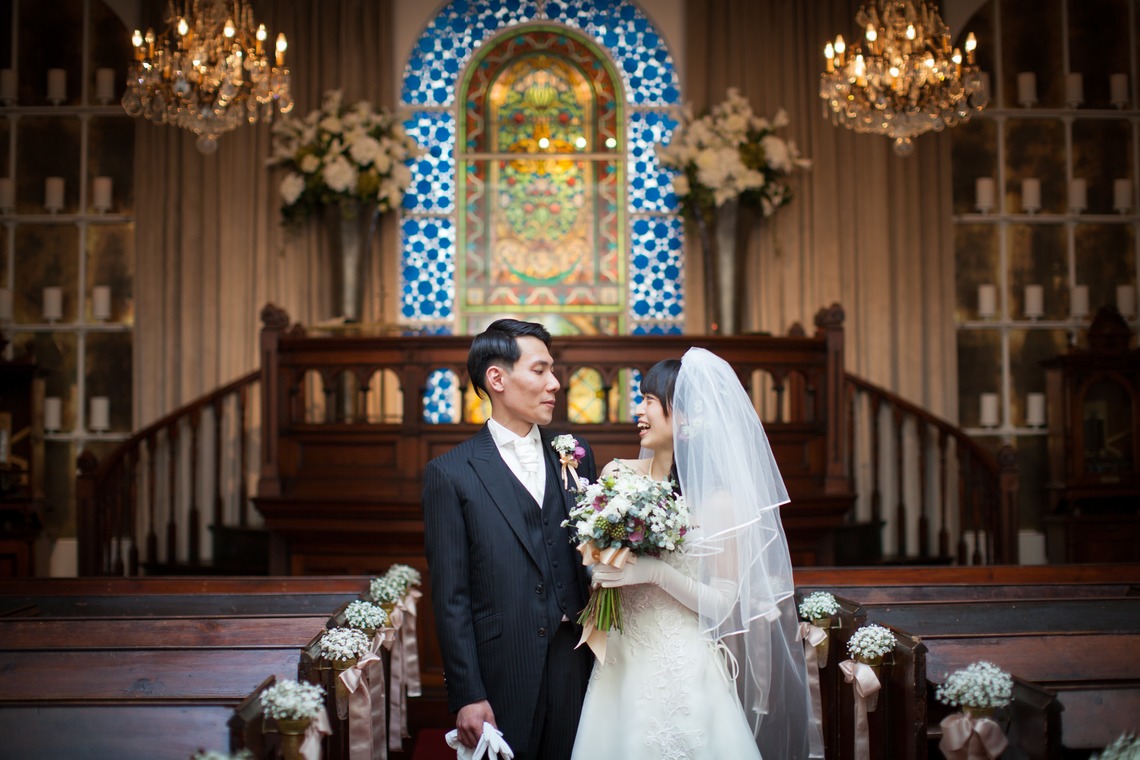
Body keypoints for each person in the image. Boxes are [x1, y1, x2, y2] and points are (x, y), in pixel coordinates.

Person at [571, 348, 824, 759]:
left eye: (650, 400)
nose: (640, 409)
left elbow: (724, 604)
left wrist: (656, 573)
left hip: (682, 659)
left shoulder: (720, 503)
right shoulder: (615, 476)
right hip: (619, 655)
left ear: (685, 416)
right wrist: (601, 570)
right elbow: (597, 560)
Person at [422, 319, 598, 760]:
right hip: (502, 668)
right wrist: (466, 693)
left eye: (552, 370)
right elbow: (451, 597)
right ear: (496, 378)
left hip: (578, 661)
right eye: (540, 371)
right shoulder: (451, 473)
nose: (554, 383)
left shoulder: (574, 453)